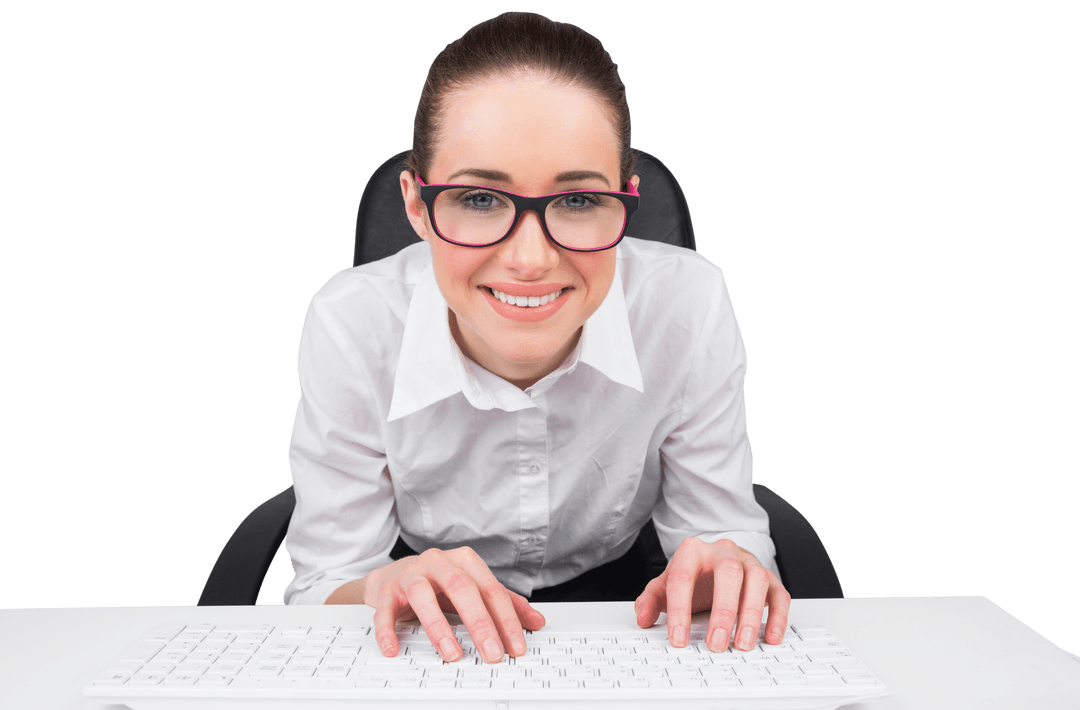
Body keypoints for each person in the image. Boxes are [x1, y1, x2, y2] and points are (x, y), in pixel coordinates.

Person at [282, 10, 790, 665]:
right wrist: (378, 585)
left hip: (627, 609)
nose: (529, 259)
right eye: (478, 199)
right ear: (416, 206)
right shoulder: (351, 322)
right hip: (419, 613)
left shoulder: (686, 305)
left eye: (577, 202)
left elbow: (720, 531)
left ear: (625, 201)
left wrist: (732, 566)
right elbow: (325, 583)